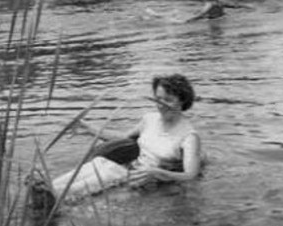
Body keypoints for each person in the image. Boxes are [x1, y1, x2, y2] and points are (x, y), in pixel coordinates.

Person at [31, 74, 202, 206]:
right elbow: (123, 137)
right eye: (158, 99)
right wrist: (88, 129)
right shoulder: (149, 119)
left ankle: (53, 195)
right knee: (100, 163)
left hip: (144, 181)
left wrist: (158, 173)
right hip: (128, 170)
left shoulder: (189, 137)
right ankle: (48, 188)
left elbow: (190, 176)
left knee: (108, 174)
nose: (161, 105)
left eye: (168, 100)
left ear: (182, 102)